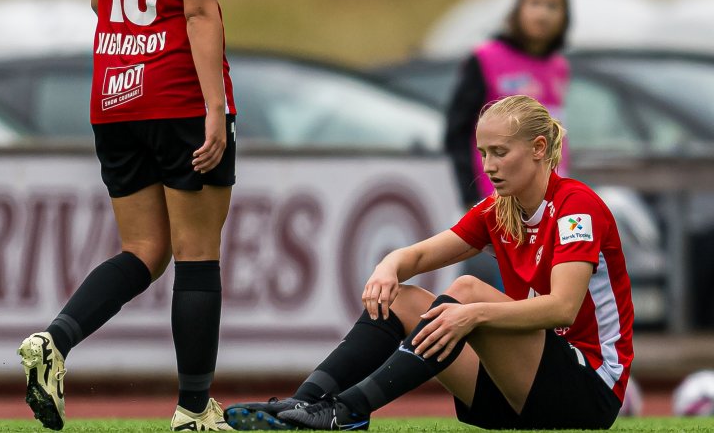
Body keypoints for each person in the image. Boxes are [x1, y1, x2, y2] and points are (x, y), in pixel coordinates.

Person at [19, 0, 235, 433]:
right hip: (174, 93)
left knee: (143, 249)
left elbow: (96, 2)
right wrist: (216, 109)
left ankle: (54, 341)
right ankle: (194, 410)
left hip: (114, 96)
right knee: (196, 255)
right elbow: (199, 13)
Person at [226, 95, 633, 431]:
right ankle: (302, 404)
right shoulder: (499, 208)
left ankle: (348, 410)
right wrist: (388, 266)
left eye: (500, 153)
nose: (489, 166)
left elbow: (562, 307)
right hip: (523, 393)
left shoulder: (576, 208)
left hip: (589, 392)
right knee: (401, 299)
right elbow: (417, 255)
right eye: (483, 153)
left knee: (466, 291)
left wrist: (472, 314)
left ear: (539, 149)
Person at [445, 0, 571, 208]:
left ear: (564, 16)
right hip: (496, 197)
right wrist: (470, 194)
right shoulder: (486, 59)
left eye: (552, 6)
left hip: (548, 199)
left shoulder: (559, 67)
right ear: (518, 9)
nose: (542, 14)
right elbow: (457, 131)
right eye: (535, 3)